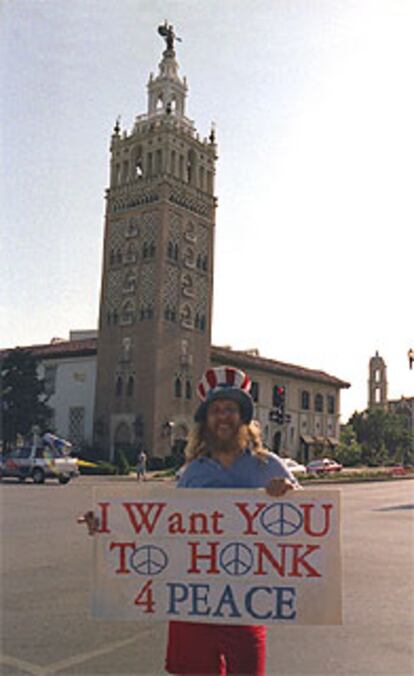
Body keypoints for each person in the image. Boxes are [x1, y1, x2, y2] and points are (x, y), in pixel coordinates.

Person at [78, 366, 300, 675]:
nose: (223, 416)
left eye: (231, 409)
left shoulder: (269, 466)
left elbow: (307, 526)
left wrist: (288, 494)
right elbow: (163, 529)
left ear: (243, 417)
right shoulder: (193, 471)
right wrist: (107, 524)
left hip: (246, 603)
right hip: (190, 603)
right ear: (206, 420)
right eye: (216, 410)